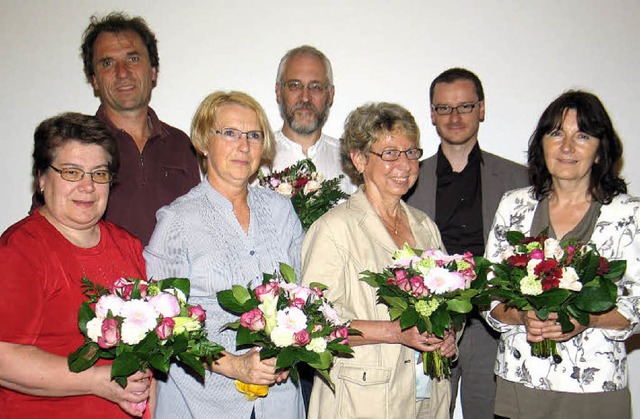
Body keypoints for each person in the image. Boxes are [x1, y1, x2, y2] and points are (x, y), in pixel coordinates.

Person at [144, 91, 305, 419]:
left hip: (278, 402)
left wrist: (291, 351)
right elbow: (163, 326)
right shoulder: (178, 221)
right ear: (204, 142)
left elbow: (303, 297)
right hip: (203, 402)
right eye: (230, 133)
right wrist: (234, 365)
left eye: (254, 135)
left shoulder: (280, 210)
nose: (243, 146)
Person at [482, 90, 640, 418]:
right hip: (520, 383)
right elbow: (489, 294)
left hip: (594, 388)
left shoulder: (629, 214)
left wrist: (586, 319)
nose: (567, 146)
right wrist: (521, 315)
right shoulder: (514, 205)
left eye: (582, 135)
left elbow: (637, 304)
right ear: (542, 144)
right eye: (556, 133)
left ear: (600, 150)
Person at [302, 102, 455, 419]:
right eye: (389, 154)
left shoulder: (425, 226)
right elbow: (315, 325)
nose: (405, 164)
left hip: (428, 397)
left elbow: (451, 302)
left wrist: (450, 333)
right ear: (359, 159)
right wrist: (395, 331)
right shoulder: (333, 229)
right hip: (361, 400)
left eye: (411, 153)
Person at [0, 113, 152, 417]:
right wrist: (95, 380)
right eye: (71, 172)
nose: (88, 186)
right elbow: (4, 356)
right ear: (41, 179)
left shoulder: (129, 246)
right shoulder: (21, 249)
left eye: (99, 173)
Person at [405, 67, 528, 418]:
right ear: (432, 113)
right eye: (444, 108)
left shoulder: (518, 179)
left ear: (482, 109)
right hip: (430, 326)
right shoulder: (408, 178)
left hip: (491, 325)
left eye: (465, 106)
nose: (454, 116)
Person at [31, 13, 201, 246]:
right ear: (95, 80)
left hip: (173, 281)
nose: (122, 73)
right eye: (107, 63)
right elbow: (39, 233)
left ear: (153, 71)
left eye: (133, 59)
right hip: (95, 282)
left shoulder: (182, 145)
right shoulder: (73, 148)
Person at [272, 45, 356, 194]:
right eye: (294, 86)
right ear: (279, 92)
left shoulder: (352, 163)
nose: (305, 97)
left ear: (330, 94)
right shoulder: (255, 159)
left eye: (315, 87)